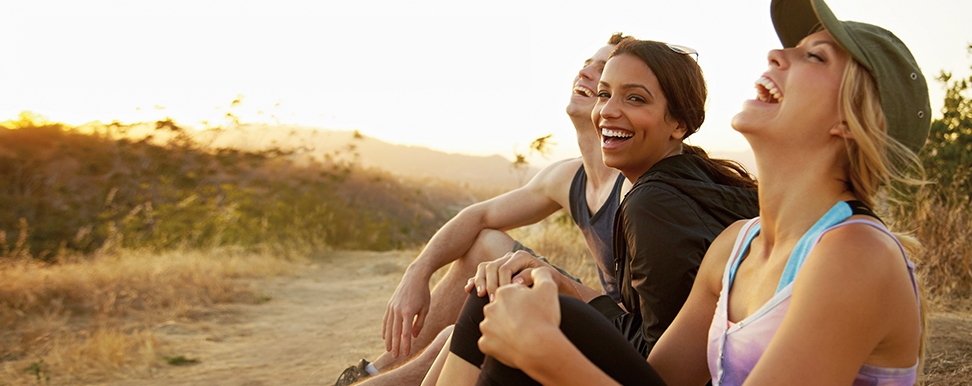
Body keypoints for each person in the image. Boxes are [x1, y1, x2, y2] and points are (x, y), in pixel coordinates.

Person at [464, 0, 930, 384]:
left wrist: (546, 353)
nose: (776, 55)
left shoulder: (858, 256)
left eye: (815, 56)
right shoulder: (736, 246)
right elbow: (654, 378)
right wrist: (556, 293)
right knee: (509, 297)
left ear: (849, 121)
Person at [433, 36, 760, 385]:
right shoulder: (695, 176)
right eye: (605, 94)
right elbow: (656, 325)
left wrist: (554, 326)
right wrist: (558, 281)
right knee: (510, 298)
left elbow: (661, 360)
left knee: (493, 300)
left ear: (679, 124)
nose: (607, 111)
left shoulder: (653, 205)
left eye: (634, 98)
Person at [331, 33, 633, 386]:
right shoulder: (568, 176)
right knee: (487, 244)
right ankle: (377, 370)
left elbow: (649, 325)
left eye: (601, 70)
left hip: (620, 332)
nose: (584, 73)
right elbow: (478, 216)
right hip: (597, 311)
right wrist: (417, 273)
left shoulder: (636, 181)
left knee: (458, 335)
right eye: (585, 65)